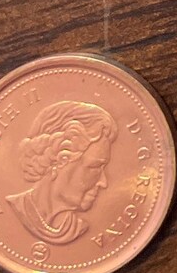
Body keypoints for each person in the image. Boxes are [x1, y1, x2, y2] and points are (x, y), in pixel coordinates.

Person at [7, 99, 116, 245]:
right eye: (95, 167)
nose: (103, 182)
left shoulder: (80, 228)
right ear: (61, 160)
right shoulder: (15, 209)